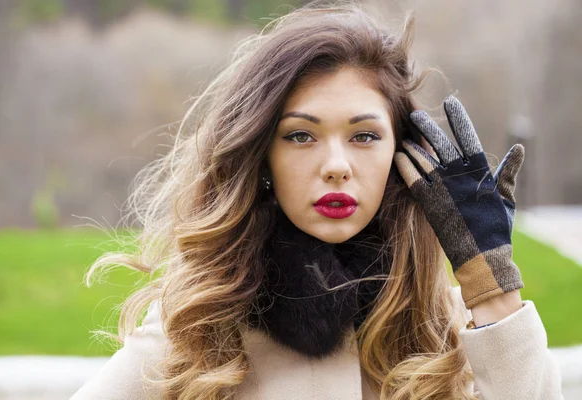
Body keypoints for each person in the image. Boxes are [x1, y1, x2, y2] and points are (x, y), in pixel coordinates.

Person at [71, 1, 563, 399]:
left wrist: (493, 289)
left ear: (402, 153)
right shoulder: (196, 326)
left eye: (365, 136)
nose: (335, 165)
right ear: (261, 155)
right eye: (301, 136)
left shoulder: (450, 331)